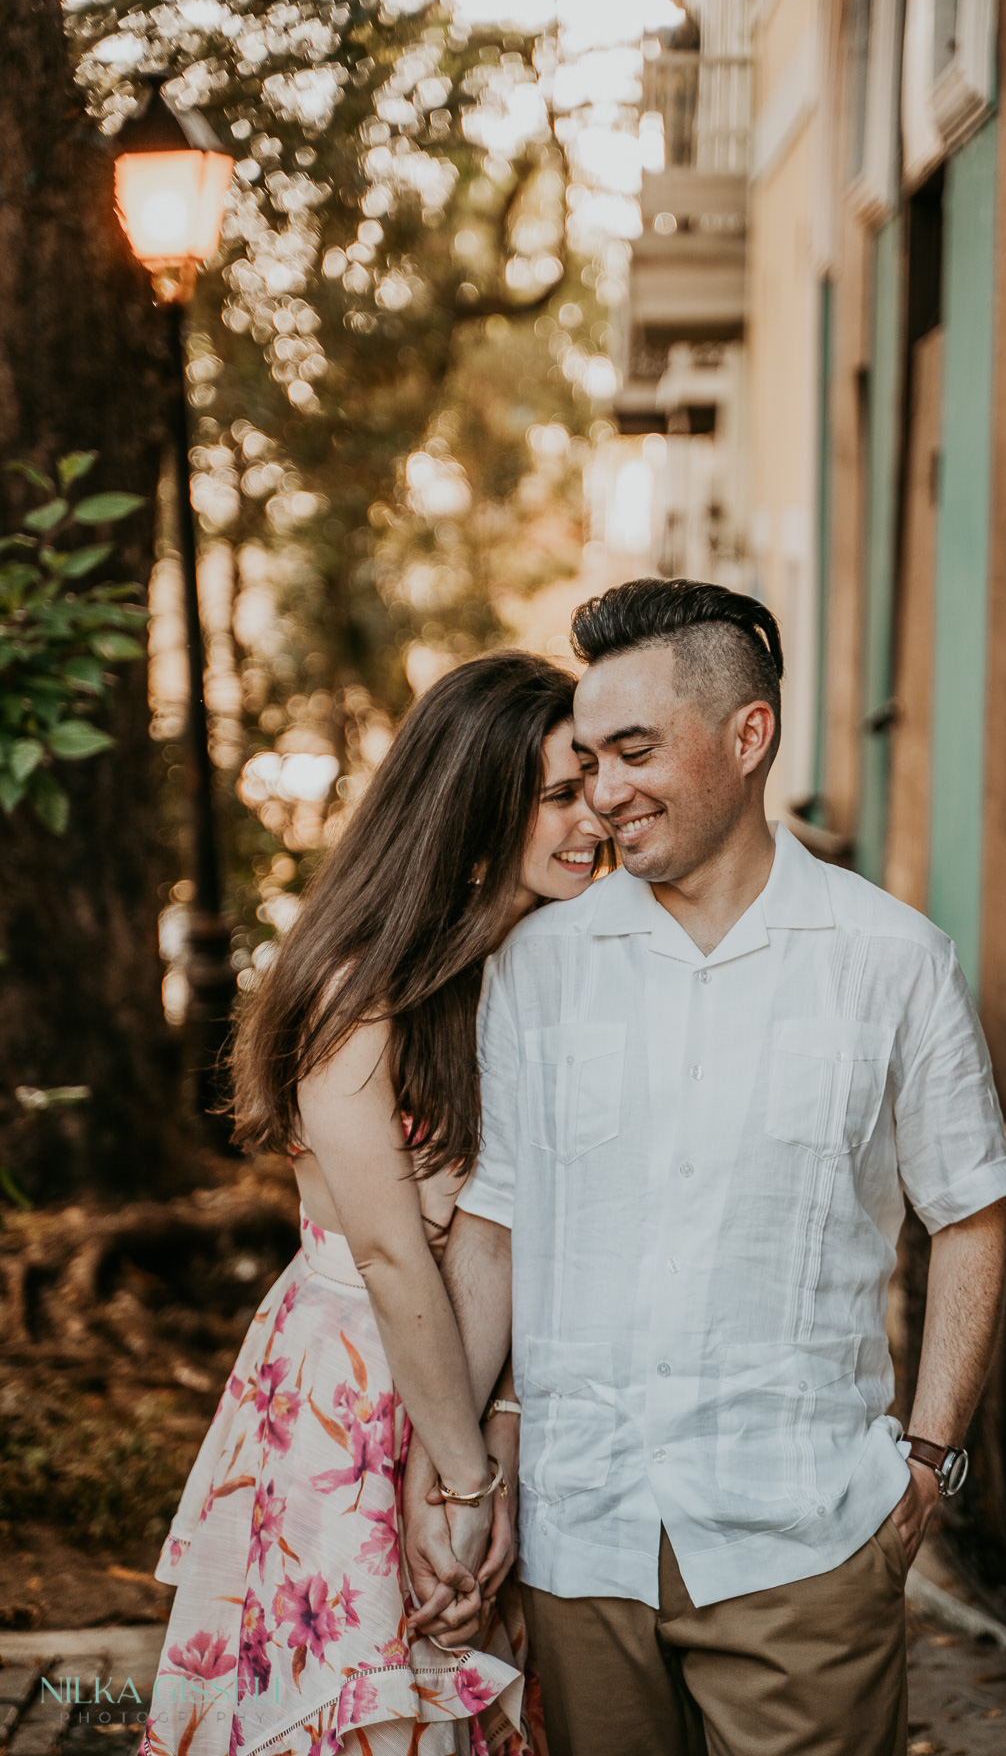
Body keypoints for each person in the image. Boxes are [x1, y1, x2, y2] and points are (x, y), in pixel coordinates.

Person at [404, 580, 1006, 1756]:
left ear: (749, 737)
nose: (605, 792)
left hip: (802, 1542)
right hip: (584, 1544)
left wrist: (931, 1459)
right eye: (590, 759)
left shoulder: (892, 961)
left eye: (635, 751)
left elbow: (973, 1211)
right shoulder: (538, 967)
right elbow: (496, 1227)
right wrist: (461, 1477)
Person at [140, 652, 606, 1756]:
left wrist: (496, 1439)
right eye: (560, 793)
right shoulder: (359, 991)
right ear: (476, 808)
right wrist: (462, 1480)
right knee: (362, 1704)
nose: (597, 815)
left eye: (595, 782)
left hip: (479, 1389)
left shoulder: (524, 973)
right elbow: (396, 1260)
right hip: (356, 1392)